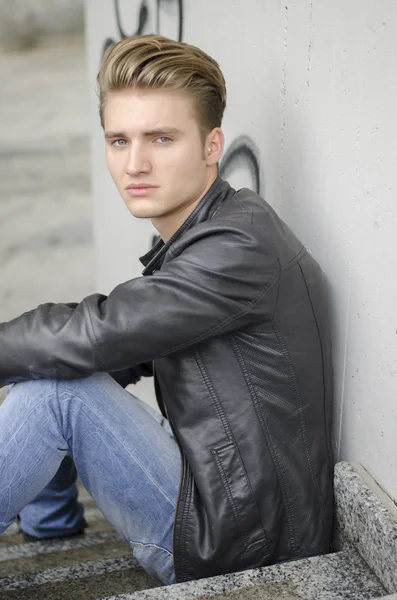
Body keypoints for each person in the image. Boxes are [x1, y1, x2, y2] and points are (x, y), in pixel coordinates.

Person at [0, 34, 334, 585]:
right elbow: (110, 347)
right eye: (118, 140)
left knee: (57, 382)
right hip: (230, 506)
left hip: (240, 546)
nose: (135, 163)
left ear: (211, 146)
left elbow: (100, 333)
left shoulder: (237, 249)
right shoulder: (214, 230)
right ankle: (50, 519)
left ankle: (48, 518)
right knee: (50, 361)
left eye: (161, 138)